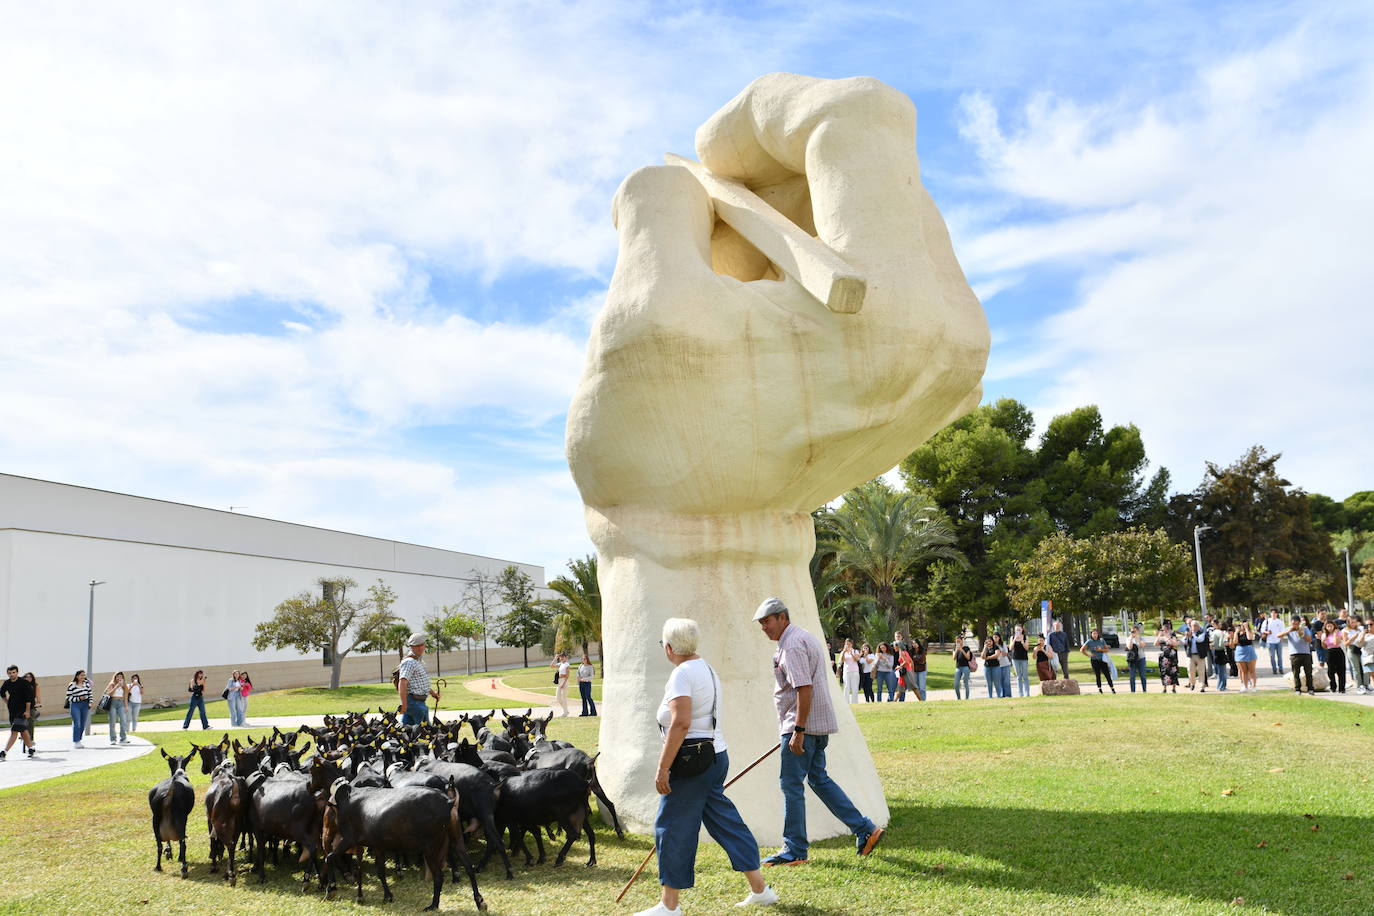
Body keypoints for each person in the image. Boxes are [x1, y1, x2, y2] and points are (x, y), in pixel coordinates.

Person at [637, 617, 776, 916]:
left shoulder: (682, 674)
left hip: (690, 763)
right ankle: (760, 889)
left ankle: (669, 906)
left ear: (670, 647)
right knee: (724, 821)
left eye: (664, 644)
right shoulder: (707, 669)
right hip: (715, 757)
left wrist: (663, 768)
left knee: (671, 827)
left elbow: (681, 722)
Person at [753, 597, 884, 866]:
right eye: (761, 623)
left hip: (801, 726)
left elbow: (803, 687)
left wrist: (798, 730)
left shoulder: (790, 644)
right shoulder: (805, 637)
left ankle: (794, 850)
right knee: (818, 779)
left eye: (767, 621)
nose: (764, 627)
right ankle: (865, 829)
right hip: (816, 725)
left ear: (782, 617)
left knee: (791, 785)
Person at [397, 633, 441, 725]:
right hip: (414, 703)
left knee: (407, 731)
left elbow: (421, 683)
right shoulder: (409, 662)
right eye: (417, 646)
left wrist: (433, 693)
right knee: (426, 732)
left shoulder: (419, 661)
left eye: (422, 645)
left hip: (418, 702)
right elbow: (402, 683)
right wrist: (404, 705)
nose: (420, 648)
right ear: (411, 647)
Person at [1, 664, 36, 760]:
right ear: (7, 674)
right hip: (12, 710)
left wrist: (28, 711)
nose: (12, 674)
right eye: (10, 673)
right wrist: (7, 701)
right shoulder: (7, 683)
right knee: (23, 730)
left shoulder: (24, 682)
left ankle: (4, 752)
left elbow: (29, 698)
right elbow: (2, 692)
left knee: (14, 731)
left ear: (17, 672)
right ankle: (31, 749)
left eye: (13, 672)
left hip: (23, 710)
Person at [1280, 615, 1314, 694]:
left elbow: (1309, 640)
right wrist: (1288, 631)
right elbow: (1278, 635)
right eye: (1293, 624)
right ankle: (1297, 689)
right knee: (1296, 673)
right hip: (1294, 654)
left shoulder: (1305, 628)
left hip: (1306, 653)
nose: (1294, 625)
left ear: (1299, 623)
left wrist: (1301, 633)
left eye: (1296, 624)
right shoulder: (1289, 629)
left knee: (1308, 672)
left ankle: (1310, 689)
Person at [1080, 629, 1115, 693]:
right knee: (1097, 675)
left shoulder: (1101, 640)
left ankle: (1112, 688)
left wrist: (1100, 650)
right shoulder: (1089, 641)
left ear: (1098, 634)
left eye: (1096, 633)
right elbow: (1082, 649)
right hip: (1094, 660)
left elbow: (1107, 650)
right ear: (1091, 634)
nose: (1095, 635)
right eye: (1093, 633)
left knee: (1107, 674)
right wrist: (1089, 655)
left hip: (1102, 660)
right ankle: (1100, 689)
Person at [66, 669, 93, 748]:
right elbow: (68, 697)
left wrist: (90, 702)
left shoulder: (86, 684)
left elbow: (90, 694)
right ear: (77, 676)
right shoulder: (72, 685)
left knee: (82, 723)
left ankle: (79, 740)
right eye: (81, 675)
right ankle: (76, 741)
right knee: (77, 723)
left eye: (84, 675)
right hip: (75, 705)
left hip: (85, 705)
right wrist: (78, 699)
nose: (83, 677)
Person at [103, 671, 130, 744]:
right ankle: (113, 739)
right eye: (117, 676)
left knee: (123, 721)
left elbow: (125, 697)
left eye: (121, 676)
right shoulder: (112, 684)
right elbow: (109, 694)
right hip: (112, 704)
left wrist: (126, 706)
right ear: (115, 677)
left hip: (121, 703)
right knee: (112, 722)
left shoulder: (124, 686)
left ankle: (123, 738)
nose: (119, 678)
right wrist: (116, 686)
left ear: (123, 678)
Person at [1322, 621, 1347, 694]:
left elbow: (1336, 643)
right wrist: (1323, 641)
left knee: (1341, 670)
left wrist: (1335, 634)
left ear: (1334, 626)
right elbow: (1324, 646)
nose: (1329, 628)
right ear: (1325, 627)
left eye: (1331, 626)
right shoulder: (1324, 634)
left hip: (1338, 651)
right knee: (1330, 671)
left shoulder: (1338, 633)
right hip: (1329, 652)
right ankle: (1333, 687)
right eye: (1328, 626)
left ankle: (1342, 688)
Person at [1234, 620, 1259, 691]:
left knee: (1252, 670)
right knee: (1243, 671)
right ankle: (1245, 686)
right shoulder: (1238, 633)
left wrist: (1247, 629)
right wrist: (1236, 632)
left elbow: (1249, 638)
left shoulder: (1249, 631)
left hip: (1249, 650)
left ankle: (1254, 686)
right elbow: (1235, 641)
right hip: (1240, 651)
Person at [1185, 623, 1209, 692]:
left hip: (1200, 655)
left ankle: (1202, 686)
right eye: (1192, 626)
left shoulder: (1202, 633)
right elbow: (1185, 642)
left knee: (1201, 671)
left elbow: (1199, 640)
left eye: (1195, 625)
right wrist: (1187, 637)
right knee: (1190, 670)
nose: (1194, 627)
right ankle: (1192, 683)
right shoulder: (1189, 633)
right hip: (1191, 655)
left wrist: (1192, 635)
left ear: (1198, 626)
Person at [1261, 609, 1286, 675]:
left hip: (1278, 641)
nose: (1273, 614)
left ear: (1277, 614)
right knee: (1272, 656)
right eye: (1272, 613)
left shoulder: (1280, 621)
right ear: (1270, 614)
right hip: (1270, 641)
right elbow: (1262, 630)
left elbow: (1283, 631)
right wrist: (1267, 632)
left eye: (1275, 613)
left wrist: (1281, 638)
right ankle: (1274, 669)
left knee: (1279, 656)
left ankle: (1281, 669)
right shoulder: (1267, 621)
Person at [1124, 626, 1149, 693]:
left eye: (1134, 631)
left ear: (1138, 631)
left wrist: (1137, 638)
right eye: (1132, 631)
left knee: (1143, 675)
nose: (1133, 632)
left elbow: (1142, 645)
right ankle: (1133, 691)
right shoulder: (1128, 638)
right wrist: (1132, 638)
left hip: (1141, 658)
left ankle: (1144, 690)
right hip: (1132, 659)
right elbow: (1129, 647)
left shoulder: (1141, 638)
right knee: (1132, 676)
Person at [1210, 621, 1231, 692]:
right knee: (1222, 671)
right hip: (1221, 652)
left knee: (1219, 671)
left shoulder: (1214, 632)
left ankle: (1219, 686)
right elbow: (1221, 643)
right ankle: (1222, 686)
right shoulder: (1221, 633)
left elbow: (1211, 642)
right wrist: (1225, 645)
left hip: (1215, 652)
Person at [1010, 625, 1030, 697]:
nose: (1018, 631)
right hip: (1015, 658)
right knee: (1018, 676)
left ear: (1022, 630)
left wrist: (1022, 641)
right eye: (1016, 630)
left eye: (1019, 629)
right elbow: (1010, 648)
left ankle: (1027, 693)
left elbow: (1027, 648)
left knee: (1025, 676)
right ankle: (1020, 693)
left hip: (1024, 658)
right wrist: (1014, 639)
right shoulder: (1012, 637)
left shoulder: (1025, 637)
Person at [22, 672, 40, 749]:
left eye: (30, 677)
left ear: (32, 679)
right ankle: (22, 735)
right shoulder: (21, 685)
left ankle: (31, 739)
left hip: (31, 707)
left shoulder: (35, 686)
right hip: (21, 707)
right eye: (26, 677)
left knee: (31, 721)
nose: (28, 678)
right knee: (18, 722)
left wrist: (38, 703)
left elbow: (38, 698)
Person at [839, 640, 861, 704]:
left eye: (849, 644)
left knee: (854, 688)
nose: (847, 645)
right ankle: (846, 702)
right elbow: (842, 661)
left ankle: (854, 702)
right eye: (846, 644)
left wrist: (851, 653)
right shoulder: (843, 652)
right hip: (846, 671)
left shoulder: (855, 651)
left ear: (851, 644)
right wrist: (844, 652)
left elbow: (856, 659)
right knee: (846, 687)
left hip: (854, 671)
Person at [992, 633, 1012, 698]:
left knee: (1006, 681)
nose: (995, 638)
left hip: (1005, 664)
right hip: (997, 665)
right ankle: (1001, 695)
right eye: (994, 637)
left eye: (996, 637)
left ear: (999, 638)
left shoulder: (1003, 644)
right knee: (999, 681)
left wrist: (999, 651)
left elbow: (1005, 653)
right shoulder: (992, 646)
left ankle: (1008, 695)